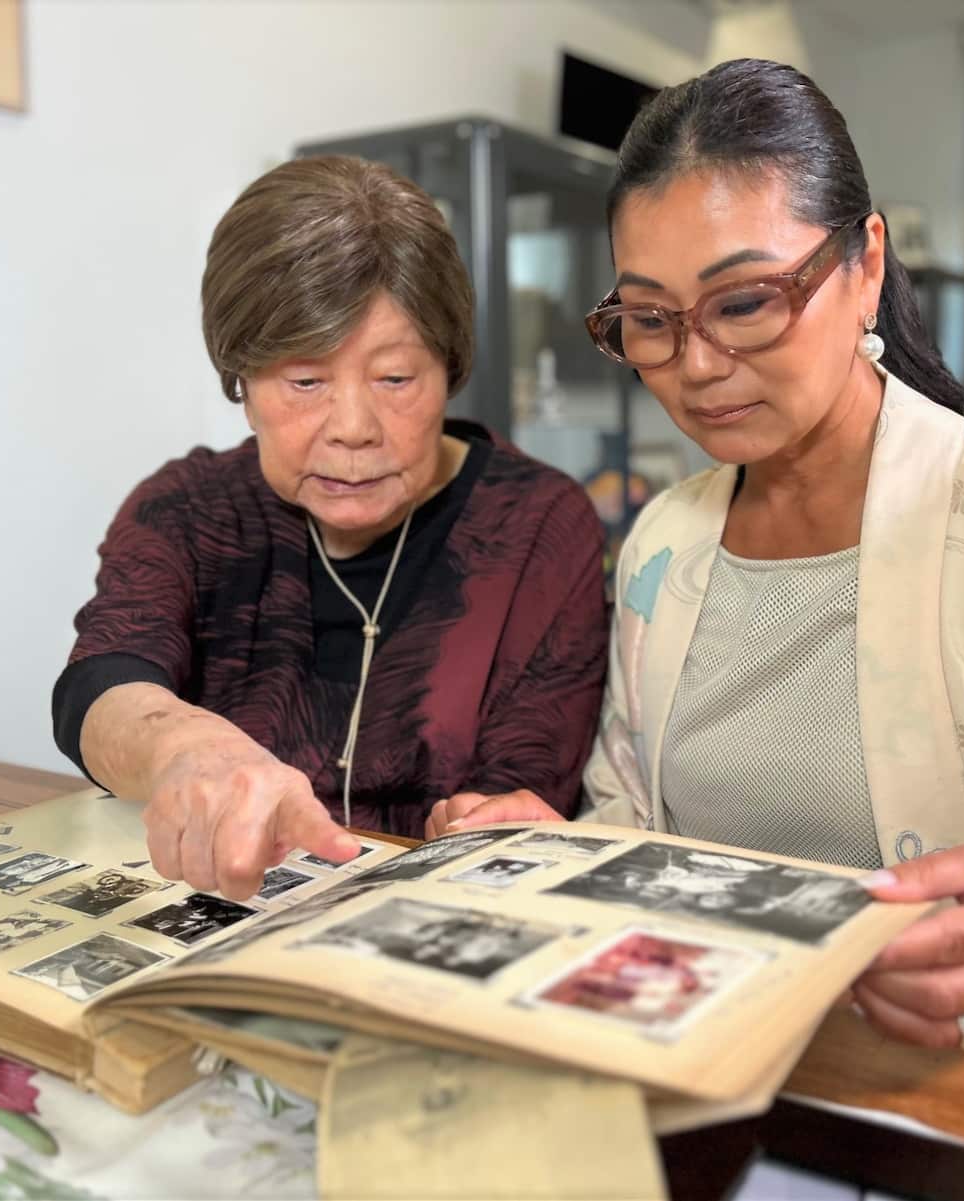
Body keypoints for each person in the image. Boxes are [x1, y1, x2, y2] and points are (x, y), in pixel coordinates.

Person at [426, 59, 964, 1048]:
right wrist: (564, 855)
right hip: (714, 1070)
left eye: (742, 303)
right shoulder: (665, 542)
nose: (694, 365)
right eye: (650, 320)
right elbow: (648, 841)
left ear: (864, 266)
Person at [54, 156, 608, 902]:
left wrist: (494, 821)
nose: (353, 429)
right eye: (306, 381)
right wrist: (184, 748)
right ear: (241, 386)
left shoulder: (538, 526)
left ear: (451, 369)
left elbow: (523, 782)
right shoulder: (189, 509)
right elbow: (101, 682)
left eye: (396, 379)